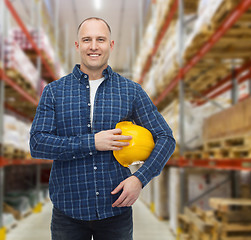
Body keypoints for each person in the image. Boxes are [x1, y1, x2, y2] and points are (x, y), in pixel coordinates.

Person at [30, 17, 176, 240]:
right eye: (87, 40)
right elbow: (38, 143)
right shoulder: (54, 92)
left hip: (115, 209)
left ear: (111, 44)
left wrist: (140, 179)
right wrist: (92, 142)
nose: (94, 46)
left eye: (100, 39)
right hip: (68, 211)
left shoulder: (131, 91)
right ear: (78, 45)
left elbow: (165, 137)